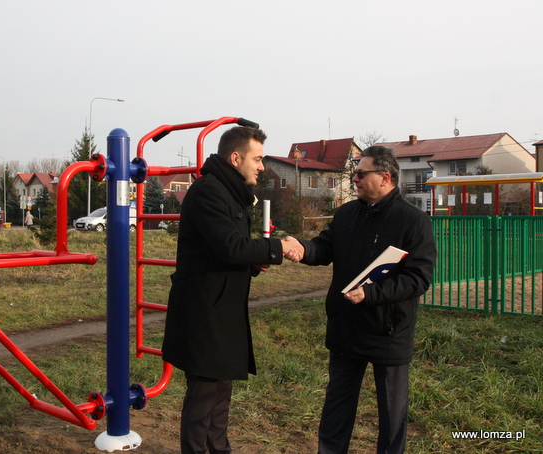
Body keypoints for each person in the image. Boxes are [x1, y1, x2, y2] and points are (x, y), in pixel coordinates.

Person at [284, 146, 436, 454]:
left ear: (385, 177)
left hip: (388, 333)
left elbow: (418, 278)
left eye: (360, 173)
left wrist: (371, 293)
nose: (354, 178)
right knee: (336, 408)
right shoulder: (347, 213)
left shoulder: (413, 221)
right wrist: (300, 248)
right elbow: (324, 248)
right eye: (354, 172)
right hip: (346, 329)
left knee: (392, 416)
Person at [162, 125, 302, 454]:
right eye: (257, 159)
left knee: (218, 399)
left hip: (220, 312)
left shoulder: (228, 192)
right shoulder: (210, 191)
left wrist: (252, 263)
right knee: (203, 403)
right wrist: (276, 249)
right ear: (235, 157)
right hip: (205, 314)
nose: (262, 166)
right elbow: (229, 246)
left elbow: (223, 249)